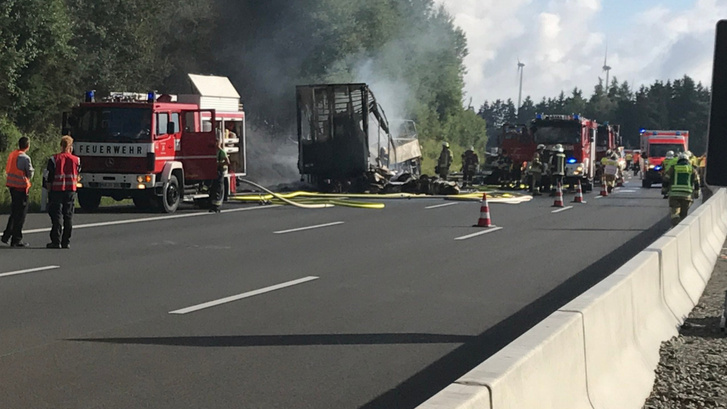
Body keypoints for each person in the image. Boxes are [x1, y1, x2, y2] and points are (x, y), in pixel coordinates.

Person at [44, 135, 81, 249]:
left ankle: (56, 241)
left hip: (56, 191)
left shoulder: (54, 159)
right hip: (70, 191)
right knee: (68, 216)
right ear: (71, 146)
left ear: (61, 145)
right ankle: (66, 241)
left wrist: (49, 191)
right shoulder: (76, 160)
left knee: (57, 216)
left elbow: (49, 177)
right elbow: (78, 174)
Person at [2, 137, 34, 247]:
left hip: (11, 185)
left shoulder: (13, 154)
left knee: (14, 212)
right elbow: (29, 173)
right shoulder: (25, 158)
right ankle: (16, 239)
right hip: (21, 187)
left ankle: (6, 236)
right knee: (20, 214)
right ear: (27, 146)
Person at [663, 153, 700, 227]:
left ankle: (675, 218)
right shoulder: (692, 169)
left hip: (674, 194)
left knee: (675, 209)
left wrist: (664, 190)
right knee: (684, 214)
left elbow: (666, 179)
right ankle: (681, 226)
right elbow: (697, 182)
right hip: (687, 195)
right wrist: (696, 193)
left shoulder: (673, 168)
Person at [209, 138, 231, 213]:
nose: (215, 144)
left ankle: (217, 206)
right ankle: (213, 206)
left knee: (218, 188)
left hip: (220, 171)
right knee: (213, 188)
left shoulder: (222, 151)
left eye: (217, 143)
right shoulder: (215, 152)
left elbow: (227, 162)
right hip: (215, 171)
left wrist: (219, 164)